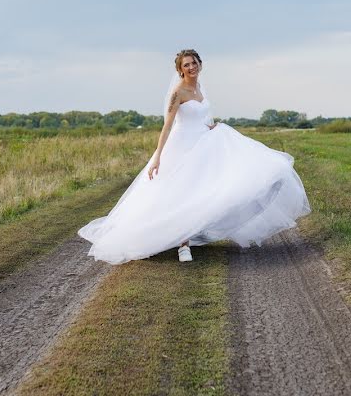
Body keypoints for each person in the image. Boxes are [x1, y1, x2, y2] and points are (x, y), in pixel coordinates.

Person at [78, 49, 311, 264]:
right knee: (179, 192)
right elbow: (167, 126)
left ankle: (192, 232)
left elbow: (203, 117)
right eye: (186, 64)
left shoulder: (200, 89)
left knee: (205, 189)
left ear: (200, 64)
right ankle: (182, 245)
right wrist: (158, 156)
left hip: (203, 143)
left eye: (194, 63)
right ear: (180, 69)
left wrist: (211, 127)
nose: (191, 67)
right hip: (181, 146)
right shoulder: (177, 92)